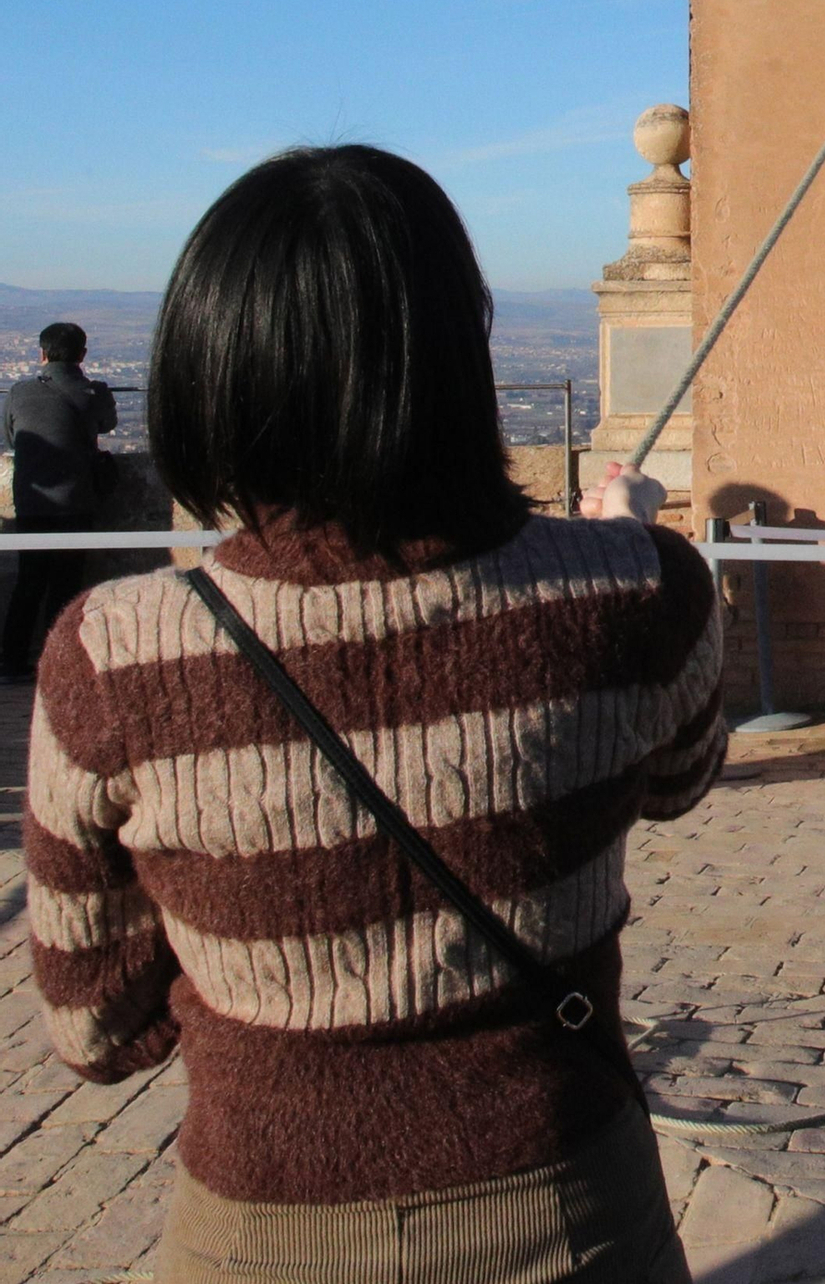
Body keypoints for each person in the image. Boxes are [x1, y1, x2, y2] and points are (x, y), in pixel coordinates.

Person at [24, 146, 722, 1284]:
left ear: (213, 361)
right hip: (574, 1206)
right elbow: (682, 773)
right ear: (459, 353)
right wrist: (623, 527)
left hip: (263, 1231)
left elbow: (96, 1029)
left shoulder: (113, 655)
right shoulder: (636, 585)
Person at [2, 322, 117, 680]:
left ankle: (11, 661)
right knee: (66, 586)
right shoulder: (93, 392)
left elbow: (9, 437)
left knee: (29, 582)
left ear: (42, 354)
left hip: (31, 503)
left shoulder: (19, 392)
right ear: (83, 355)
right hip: (76, 501)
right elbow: (108, 424)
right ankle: (59, 663)